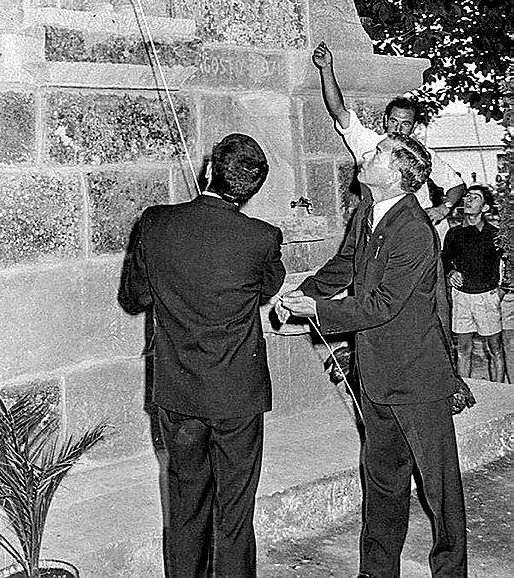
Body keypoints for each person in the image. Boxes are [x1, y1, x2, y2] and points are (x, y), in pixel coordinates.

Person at [278, 134, 466, 578]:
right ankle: (377, 571)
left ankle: (451, 572)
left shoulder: (416, 232)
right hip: (377, 375)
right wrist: (302, 294)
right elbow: (345, 265)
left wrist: (319, 311)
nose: (367, 154)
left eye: (379, 152)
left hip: (417, 379)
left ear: (397, 176)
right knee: (382, 481)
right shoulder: (367, 212)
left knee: (441, 490)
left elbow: (382, 304)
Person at [119, 134, 285, 578]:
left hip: (179, 393)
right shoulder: (262, 238)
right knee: (234, 511)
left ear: (210, 170)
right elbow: (269, 287)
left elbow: (134, 298)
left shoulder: (155, 222)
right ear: (252, 189)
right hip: (236, 396)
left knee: (185, 503)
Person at [312, 40, 465, 234]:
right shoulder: (370, 143)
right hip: (383, 229)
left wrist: (443, 208)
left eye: (406, 124)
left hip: (419, 231)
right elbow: (339, 111)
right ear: (385, 120)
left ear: (414, 126)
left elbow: (456, 185)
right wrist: (326, 69)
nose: (398, 128)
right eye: (394, 121)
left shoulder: (423, 156)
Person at [442, 184, 505, 382]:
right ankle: (467, 393)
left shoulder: (495, 235)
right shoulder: (453, 234)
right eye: (467, 196)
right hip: (461, 298)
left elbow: (510, 264)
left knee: (495, 349)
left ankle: (499, 394)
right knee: (463, 350)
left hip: (487, 298)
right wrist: (451, 272)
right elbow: (445, 259)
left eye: (475, 197)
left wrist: (502, 290)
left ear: (485, 208)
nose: (468, 200)